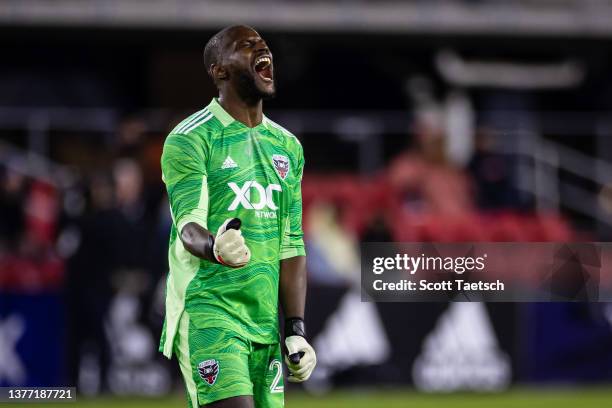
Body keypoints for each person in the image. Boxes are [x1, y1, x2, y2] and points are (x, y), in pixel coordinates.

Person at [159, 25, 316, 408]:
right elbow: (188, 228)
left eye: (263, 45)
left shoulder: (287, 147)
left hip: (264, 322)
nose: (262, 49)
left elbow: (291, 243)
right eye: (246, 45)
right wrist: (215, 247)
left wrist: (295, 328)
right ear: (220, 71)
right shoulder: (191, 138)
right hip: (209, 307)